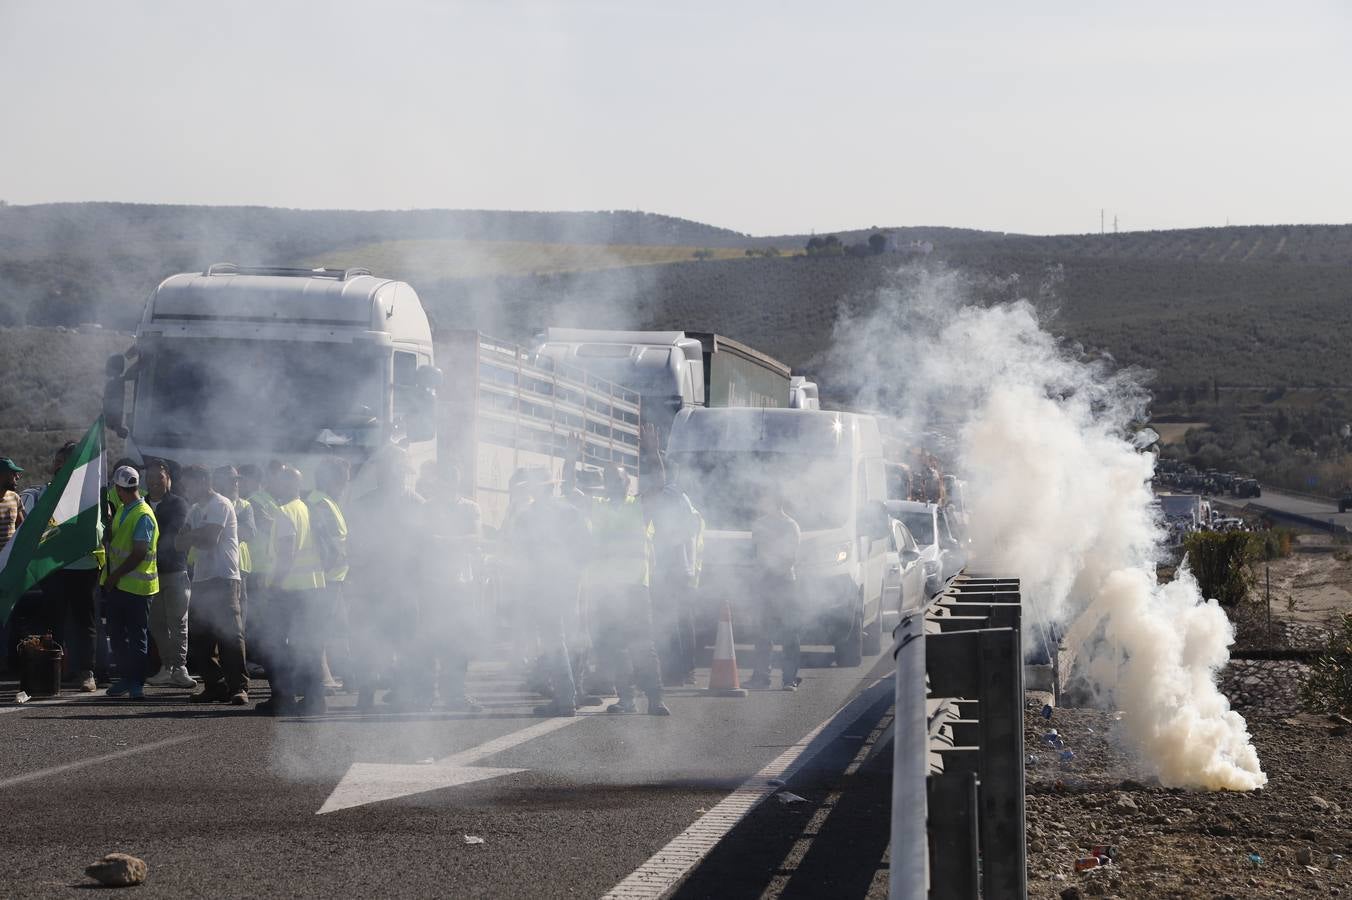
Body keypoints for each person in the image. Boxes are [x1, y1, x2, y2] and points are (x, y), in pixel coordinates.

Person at [575, 429, 668, 717]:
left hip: (634, 588)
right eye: (609, 479)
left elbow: (659, 486)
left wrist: (653, 452)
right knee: (613, 646)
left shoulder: (638, 505)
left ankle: (655, 699)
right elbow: (568, 491)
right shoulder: (598, 506)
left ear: (627, 484)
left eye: (618, 479)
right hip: (605, 589)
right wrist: (570, 458)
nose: (613, 483)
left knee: (643, 646)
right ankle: (626, 699)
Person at [25, 442, 103, 693]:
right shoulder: (45, 493)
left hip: (85, 568)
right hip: (54, 568)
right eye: (56, 463)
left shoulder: (89, 495)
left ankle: (86, 673)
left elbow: (98, 531)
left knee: (84, 622)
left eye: (63, 463)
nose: (57, 467)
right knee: (55, 620)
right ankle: (56, 670)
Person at [515, 469, 590, 717]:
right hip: (567, 581)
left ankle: (566, 699)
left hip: (545, 583)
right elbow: (585, 548)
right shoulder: (571, 512)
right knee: (567, 638)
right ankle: (570, 695)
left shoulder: (527, 516)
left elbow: (522, 554)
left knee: (555, 640)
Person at [257, 465, 326, 716]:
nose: (272, 485)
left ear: (287, 484)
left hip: (289, 590)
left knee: (273, 644)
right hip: (311, 588)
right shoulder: (304, 508)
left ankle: (282, 699)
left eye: (276, 481)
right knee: (306, 645)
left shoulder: (285, 512)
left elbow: (287, 554)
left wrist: (273, 586)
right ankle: (314, 701)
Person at [176, 465, 248, 705]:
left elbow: (210, 540)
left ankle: (238, 687)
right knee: (201, 637)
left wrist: (192, 535)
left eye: (189, 484)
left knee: (229, 634)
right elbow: (178, 543)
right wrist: (196, 534)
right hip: (202, 579)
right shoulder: (195, 509)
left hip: (224, 578)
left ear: (204, 481)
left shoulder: (220, 504)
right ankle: (215, 685)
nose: (186, 489)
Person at [102, 465, 159, 699]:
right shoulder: (125, 508)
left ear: (120, 488)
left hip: (137, 587)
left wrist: (114, 576)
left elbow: (138, 553)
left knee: (137, 637)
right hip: (119, 586)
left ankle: (137, 681)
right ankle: (126, 677)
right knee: (117, 635)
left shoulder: (143, 514)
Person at [647, 455, 703, 688]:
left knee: (670, 621)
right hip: (683, 567)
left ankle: (676, 672)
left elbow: (682, 531)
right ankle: (686, 671)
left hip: (671, 568)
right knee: (682, 620)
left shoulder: (669, 496)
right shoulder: (683, 497)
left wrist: (667, 545)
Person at [143, 459, 196, 689]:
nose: (154, 483)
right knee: (156, 623)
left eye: (160, 478)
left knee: (178, 621)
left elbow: (172, 533)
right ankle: (167, 667)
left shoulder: (179, 504)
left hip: (175, 570)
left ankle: (180, 667)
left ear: (169, 480)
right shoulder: (141, 503)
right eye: (151, 479)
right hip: (149, 573)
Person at [749, 491, 802, 691]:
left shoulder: (790, 525)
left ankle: (789, 679)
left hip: (784, 582)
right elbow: (754, 552)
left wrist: (772, 573)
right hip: (765, 582)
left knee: (789, 631)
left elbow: (790, 557)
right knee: (762, 631)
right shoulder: (760, 524)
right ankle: (761, 676)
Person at [308, 457, 350, 693]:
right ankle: (322, 680)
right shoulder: (320, 503)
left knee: (332, 629)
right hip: (327, 578)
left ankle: (329, 676)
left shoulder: (325, 502)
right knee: (320, 631)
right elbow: (330, 546)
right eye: (343, 480)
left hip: (333, 577)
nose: (345, 485)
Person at [0, 457, 25, 552]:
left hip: (8, 562)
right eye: (13, 473)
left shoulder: (15, 498)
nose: (17, 477)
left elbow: (21, 530)